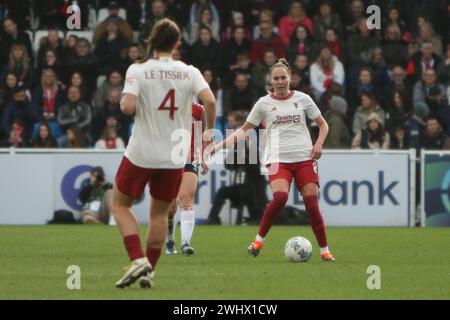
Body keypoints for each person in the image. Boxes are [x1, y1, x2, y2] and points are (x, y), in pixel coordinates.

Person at [113, 18, 216, 289]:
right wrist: (209, 131)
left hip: (142, 152)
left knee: (120, 204)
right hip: (174, 156)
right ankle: (150, 271)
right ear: (177, 43)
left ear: (151, 41)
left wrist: (125, 99)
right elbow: (210, 101)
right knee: (160, 214)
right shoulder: (189, 71)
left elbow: (127, 106)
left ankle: (138, 259)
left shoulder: (138, 70)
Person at [206, 58, 335, 262]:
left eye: (284, 77)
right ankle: (258, 241)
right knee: (280, 198)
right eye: (276, 78)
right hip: (278, 159)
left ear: (290, 78)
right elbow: (243, 131)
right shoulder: (264, 103)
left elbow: (323, 125)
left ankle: (325, 251)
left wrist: (319, 143)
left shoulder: (303, 99)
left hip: (304, 157)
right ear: (271, 81)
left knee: (312, 204)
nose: (281, 81)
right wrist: (218, 147)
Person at [164, 102, 205, 255]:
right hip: (167, 160)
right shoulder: (163, 107)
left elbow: (204, 134)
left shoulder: (199, 109)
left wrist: (204, 156)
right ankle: (169, 240)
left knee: (186, 199)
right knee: (171, 207)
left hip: (190, 159)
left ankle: (185, 243)